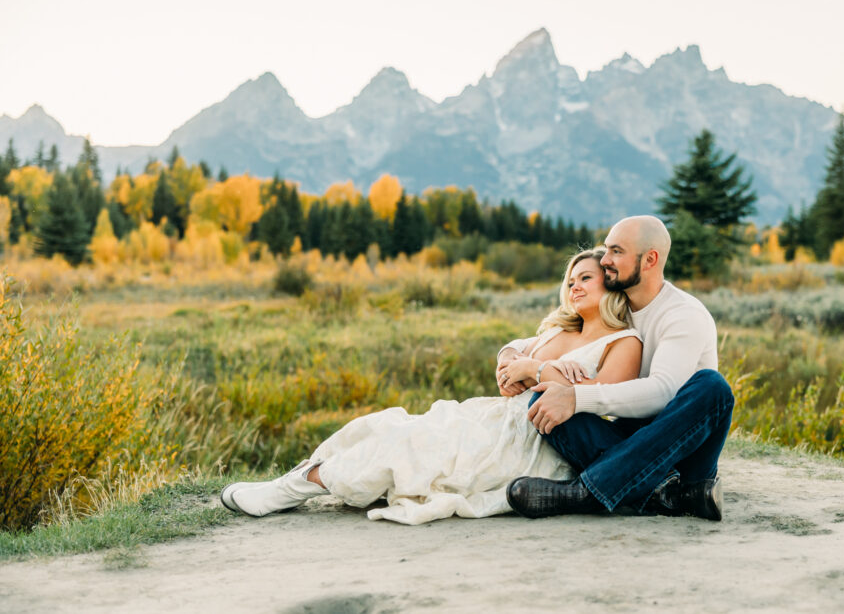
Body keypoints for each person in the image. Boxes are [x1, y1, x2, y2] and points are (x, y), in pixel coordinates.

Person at [220, 249, 643, 525]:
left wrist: (533, 368)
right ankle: (302, 477)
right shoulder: (558, 329)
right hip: (497, 417)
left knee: (414, 447)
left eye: (586, 278)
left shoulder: (623, 341)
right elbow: (513, 362)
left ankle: (292, 489)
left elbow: (598, 397)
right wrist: (514, 362)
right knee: (394, 426)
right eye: (570, 281)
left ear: (611, 282)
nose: (574, 286)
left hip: (540, 440)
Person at [500, 215, 734, 521]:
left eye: (617, 252)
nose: (605, 260)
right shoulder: (618, 306)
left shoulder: (682, 314)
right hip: (629, 441)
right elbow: (540, 340)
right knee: (546, 401)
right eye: (607, 249)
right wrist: (510, 355)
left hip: (681, 448)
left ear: (650, 259)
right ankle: (670, 495)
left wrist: (576, 398)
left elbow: (664, 390)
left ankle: (582, 494)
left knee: (712, 387)